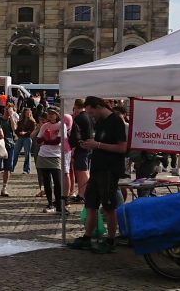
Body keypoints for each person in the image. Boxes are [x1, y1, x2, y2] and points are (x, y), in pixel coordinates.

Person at [68, 96, 128, 254]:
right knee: (90, 203)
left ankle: (111, 240)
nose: (91, 116)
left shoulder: (116, 121)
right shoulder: (100, 122)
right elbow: (100, 142)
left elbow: (122, 148)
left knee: (109, 206)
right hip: (97, 168)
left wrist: (98, 145)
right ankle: (87, 238)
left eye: (91, 112)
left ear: (99, 106)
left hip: (109, 169)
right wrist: (90, 144)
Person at [35, 108, 66, 213]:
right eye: (49, 114)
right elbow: (38, 140)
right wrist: (46, 138)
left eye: (52, 114)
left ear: (57, 115)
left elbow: (58, 141)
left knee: (57, 181)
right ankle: (50, 203)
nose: (50, 116)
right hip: (43, 155)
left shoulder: (62, 125)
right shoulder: (44, 126)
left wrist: (46, 140)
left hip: (56, 155)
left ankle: (59, 204)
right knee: (47, 181)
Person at [69, 99, 93, 202]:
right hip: (89, 147)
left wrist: (73, 146)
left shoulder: (79, 118)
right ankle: (84, 194)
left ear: (76, 106)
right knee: (85, 170)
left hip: (81, 148)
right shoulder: (89, 117)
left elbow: (75, 135)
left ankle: (83, 195)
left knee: (82, 171)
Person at [0, 103, 16, 197]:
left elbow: (14, 129)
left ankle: (4, 188)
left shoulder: (12, 120)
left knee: (8, 168)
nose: (7, 111)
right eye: (6, 109)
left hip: (9, 145)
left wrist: (11, 116)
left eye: (9, 110)